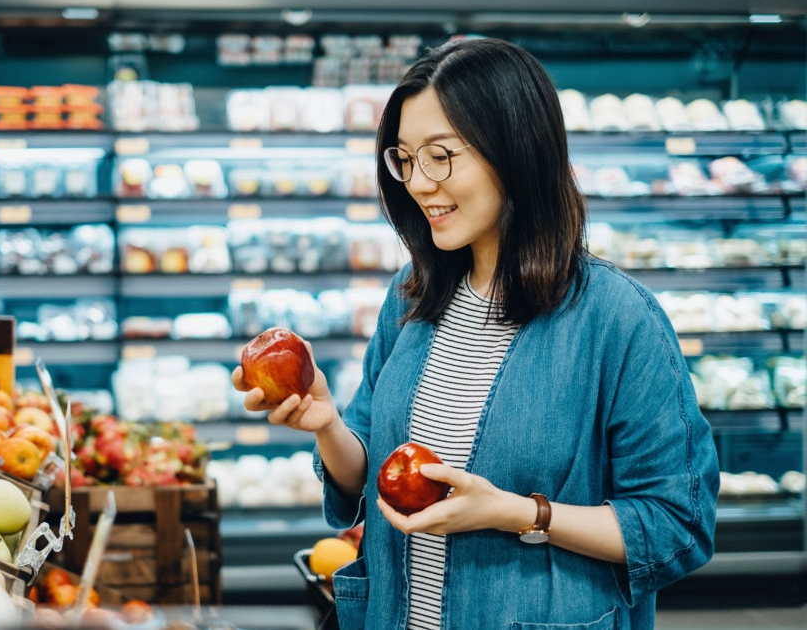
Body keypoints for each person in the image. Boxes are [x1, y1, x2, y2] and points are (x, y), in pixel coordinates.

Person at [233, 37, 719, 630]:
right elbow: (369, 474)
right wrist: (328, 426)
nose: (417, 182)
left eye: (440, 156)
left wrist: (516, 513)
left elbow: (677, 523)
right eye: (404, 159)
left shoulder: (617, 320)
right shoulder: (411, 297)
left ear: (515, 150)